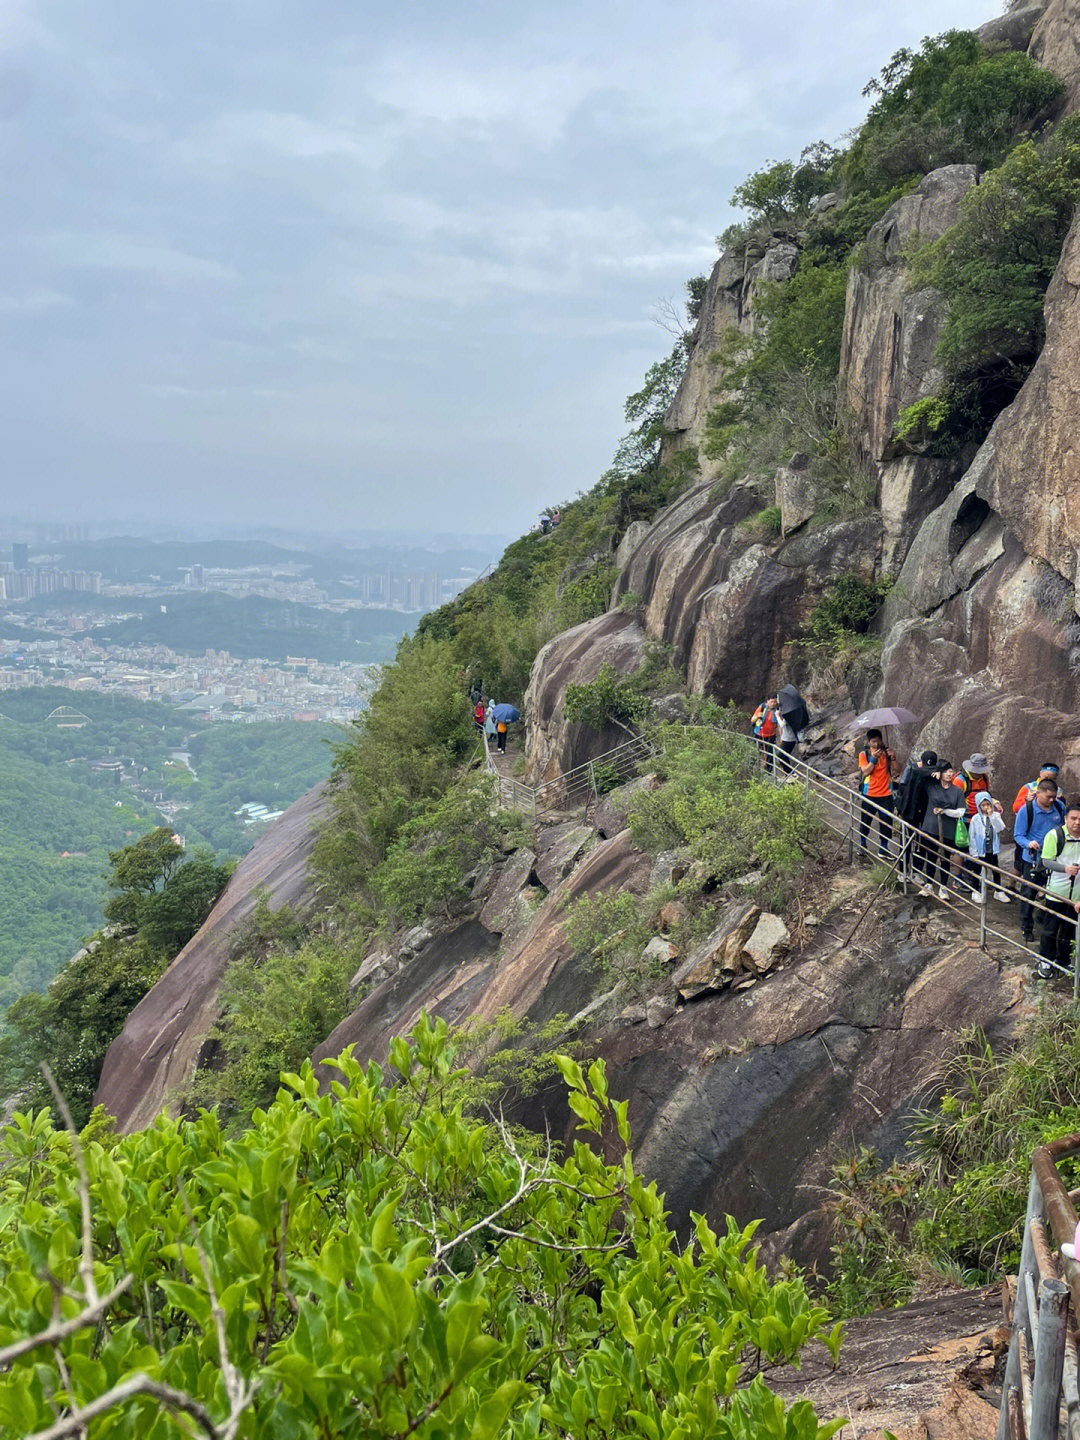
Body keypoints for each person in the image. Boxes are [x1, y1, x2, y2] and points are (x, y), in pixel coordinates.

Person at [1013, 776, 1067, 942]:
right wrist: (1029, 843)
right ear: (1038, 793)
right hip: (1032, 859)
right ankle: (1026, 926)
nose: (1051, 800)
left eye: (1053, 797)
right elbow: (1018, 835)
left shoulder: (1059, 807)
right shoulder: (1026, 810)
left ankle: (1045, 919)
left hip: (1053, 858)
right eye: (1048, 797)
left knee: (1053, 892)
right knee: (1029, 893)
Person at [1036, 801, 1080, 978]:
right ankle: (1045, 960)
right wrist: (1065, 868)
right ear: (1065, 819)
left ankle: (1063, 960)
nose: (1077, 822)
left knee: (1069, 929)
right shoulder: (1054, 836)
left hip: (1076, 894)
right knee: (1050, 929)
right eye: (1073, 818)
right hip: (1056, 891)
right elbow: (1046, 861)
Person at [918, 763, 967, 900]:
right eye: (945, 771)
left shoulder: (957, 791)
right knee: (931, 856)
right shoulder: (932, 787)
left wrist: (945, 811)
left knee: (945, 859)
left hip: (948, 830)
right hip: (931, 827)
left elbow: (961, 811)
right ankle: (928, 884)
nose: (949, 774)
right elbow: (918, 774)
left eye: (951, 771)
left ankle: (943, 887)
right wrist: (932, 773)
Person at [954, 753, 1001, 890]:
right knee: (960, 849)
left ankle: (972, 876)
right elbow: (954, 800)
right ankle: (957, 879)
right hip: (965, 819)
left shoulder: (984, 778)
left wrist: (995, 802)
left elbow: (987, 795)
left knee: (979, 848)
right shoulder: (960, 781)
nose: (978, 774)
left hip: (981, 819)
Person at [1011, 762, 1061, 880]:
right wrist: (1027, 801)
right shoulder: (1028, 787)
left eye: (1052, 778)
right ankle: (1011, 886)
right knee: (1019, 866)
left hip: (1049, 851)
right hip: (1029, 837)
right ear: (1040, 774)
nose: (1051, 800)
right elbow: (1015, 808)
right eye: (1046, 777)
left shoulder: (1058, 793)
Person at [857, 729, 897, 857]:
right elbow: (866, 771)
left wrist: (893, 758)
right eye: (873, 742)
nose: (876, 744)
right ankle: (862, 844)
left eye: (878, 741)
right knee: (865, 820)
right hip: (869, 794)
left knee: (886, 822)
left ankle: (883, 848)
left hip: (886, 794)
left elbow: (898, 769)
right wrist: (873, 759)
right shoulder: (864, 754)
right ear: (868, 742)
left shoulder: (887, 753)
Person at [967, 793, 1011, 903]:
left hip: (992, 849)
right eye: (983, 805)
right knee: (977, 870)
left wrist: (992, 816)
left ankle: (998, 891)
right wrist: (974, 852)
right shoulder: (975, 819)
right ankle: (975, 891)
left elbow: (1000, 828)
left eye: (988, 804)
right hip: (980, 850)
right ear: (978, 806)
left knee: (995, 870)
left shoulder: (995, 816)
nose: (986, 807)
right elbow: (972, 836)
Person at [752, 699, 779, 774]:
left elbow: (778, 725)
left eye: (775, 702)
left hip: (771, 736)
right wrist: (758, 716)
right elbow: (752, 720)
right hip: (759, 734)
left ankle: (769, 773)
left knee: (770, 755)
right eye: (771, 702)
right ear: (767, 701)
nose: (773, 704)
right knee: (755, 752)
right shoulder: (762, 708)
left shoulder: (777, 711)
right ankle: (751, 768)